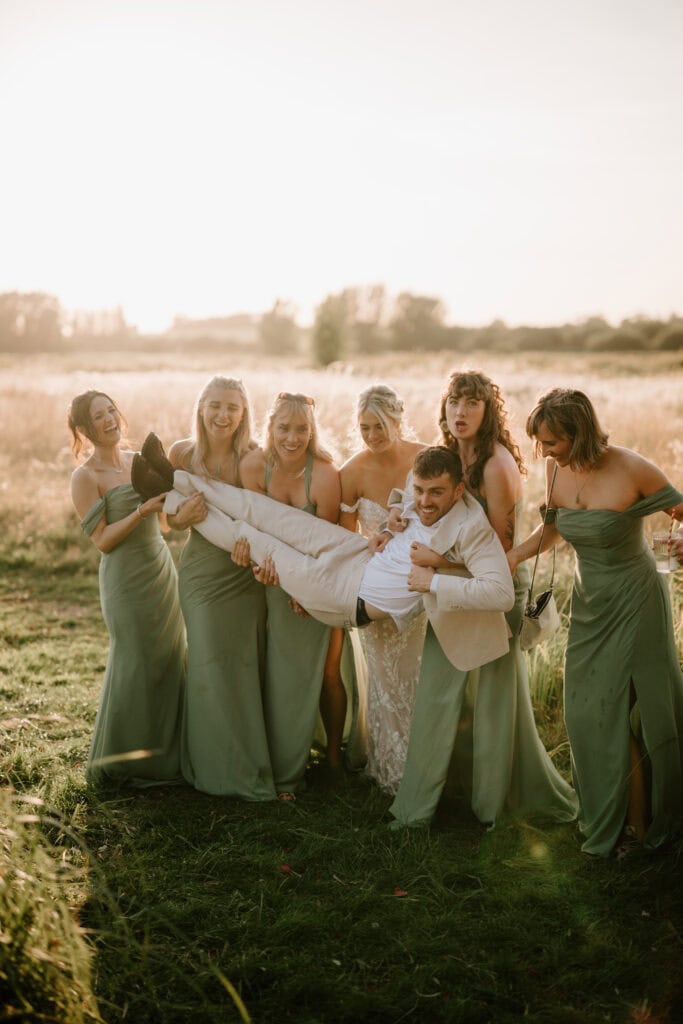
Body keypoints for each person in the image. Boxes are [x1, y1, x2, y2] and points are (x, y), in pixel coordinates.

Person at [389, 372, 578, 831]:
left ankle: (490, 804)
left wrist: (437, 564)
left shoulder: (496, 467)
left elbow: (499, 555)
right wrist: (401, 511)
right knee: (438, 691)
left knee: (493, 701)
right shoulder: (447, 455)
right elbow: (426, 500)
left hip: (493, 593)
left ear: (488, 410)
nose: (461, 411)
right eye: (455, 400)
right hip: (447, 583)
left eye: (473, 403)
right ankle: (430, 799)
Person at [140, 444, 516, 667]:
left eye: (436, 493)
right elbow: (403, 500)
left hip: (345, 598)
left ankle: (165, 498)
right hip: (355, 555)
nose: (424, 501)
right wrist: (390, 524)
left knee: (254, 539)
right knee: (265, 512)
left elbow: (501, 593)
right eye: (420, 490)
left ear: (458, 490)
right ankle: (173, 478)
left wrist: (433, 581)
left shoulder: (472, 528)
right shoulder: (420, 490)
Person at [507, 387, 683, 857]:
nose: (543, 451)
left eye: (552, 441)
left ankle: (641, 829)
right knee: (587, 712)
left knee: (639, 707)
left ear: (578, 432)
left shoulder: (633, 469)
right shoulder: (554, 469)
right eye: (541, 442)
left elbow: (680, 511)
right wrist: (514, 556)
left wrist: (680, 542)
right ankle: (611, 813)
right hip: (590, 603)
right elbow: (554, 527)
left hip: (636, 599)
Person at [166, 376, 275, 800]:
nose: (222, 415)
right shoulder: (181, 454)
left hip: (244, 572)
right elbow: (167, 518)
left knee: (245, 665)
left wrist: (253, 550)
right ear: (201, 407)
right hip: (201, 573)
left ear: (244, 413)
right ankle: (209, 766)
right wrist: (180, 520)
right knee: (208, 660)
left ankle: (248, 761)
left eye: (232, 407)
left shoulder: (252, 458)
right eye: (215, 405)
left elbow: (266, 519)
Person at [68, 390, 185, 785]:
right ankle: (123, 764)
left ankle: (168, 760)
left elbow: (168, 520)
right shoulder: (85, 477)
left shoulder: (140, 461)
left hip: (160, 570)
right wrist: (140, 511)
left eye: (111, 410)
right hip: (125, 580)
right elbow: (101, 541)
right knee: (135, 663)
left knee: (169, 659)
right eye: (98, 416)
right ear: (84, 429)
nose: (109, 419)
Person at [237, 392, 346, 797]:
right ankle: (285, 766)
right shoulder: (253, 468)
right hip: (271, 584)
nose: (292, 437)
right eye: (284, 427)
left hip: (318, 586)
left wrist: (310, 591)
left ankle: (333, 760)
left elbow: (330, 543)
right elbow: (252, 529)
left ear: (312, 430)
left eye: (302, 429)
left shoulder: (325, 474)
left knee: (324, 673)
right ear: (270, 428)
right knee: (280, 674)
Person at [339, 384, 426, 793]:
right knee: (386, 679)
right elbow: (342, 540)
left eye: (380, 425)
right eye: (364, 427)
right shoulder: (351, 472)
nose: (372, 435)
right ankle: (393, 774)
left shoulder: (426, 457)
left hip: (424, 585)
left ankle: (433, 767)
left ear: (398, 418)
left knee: (423, 677)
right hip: (376, 591)